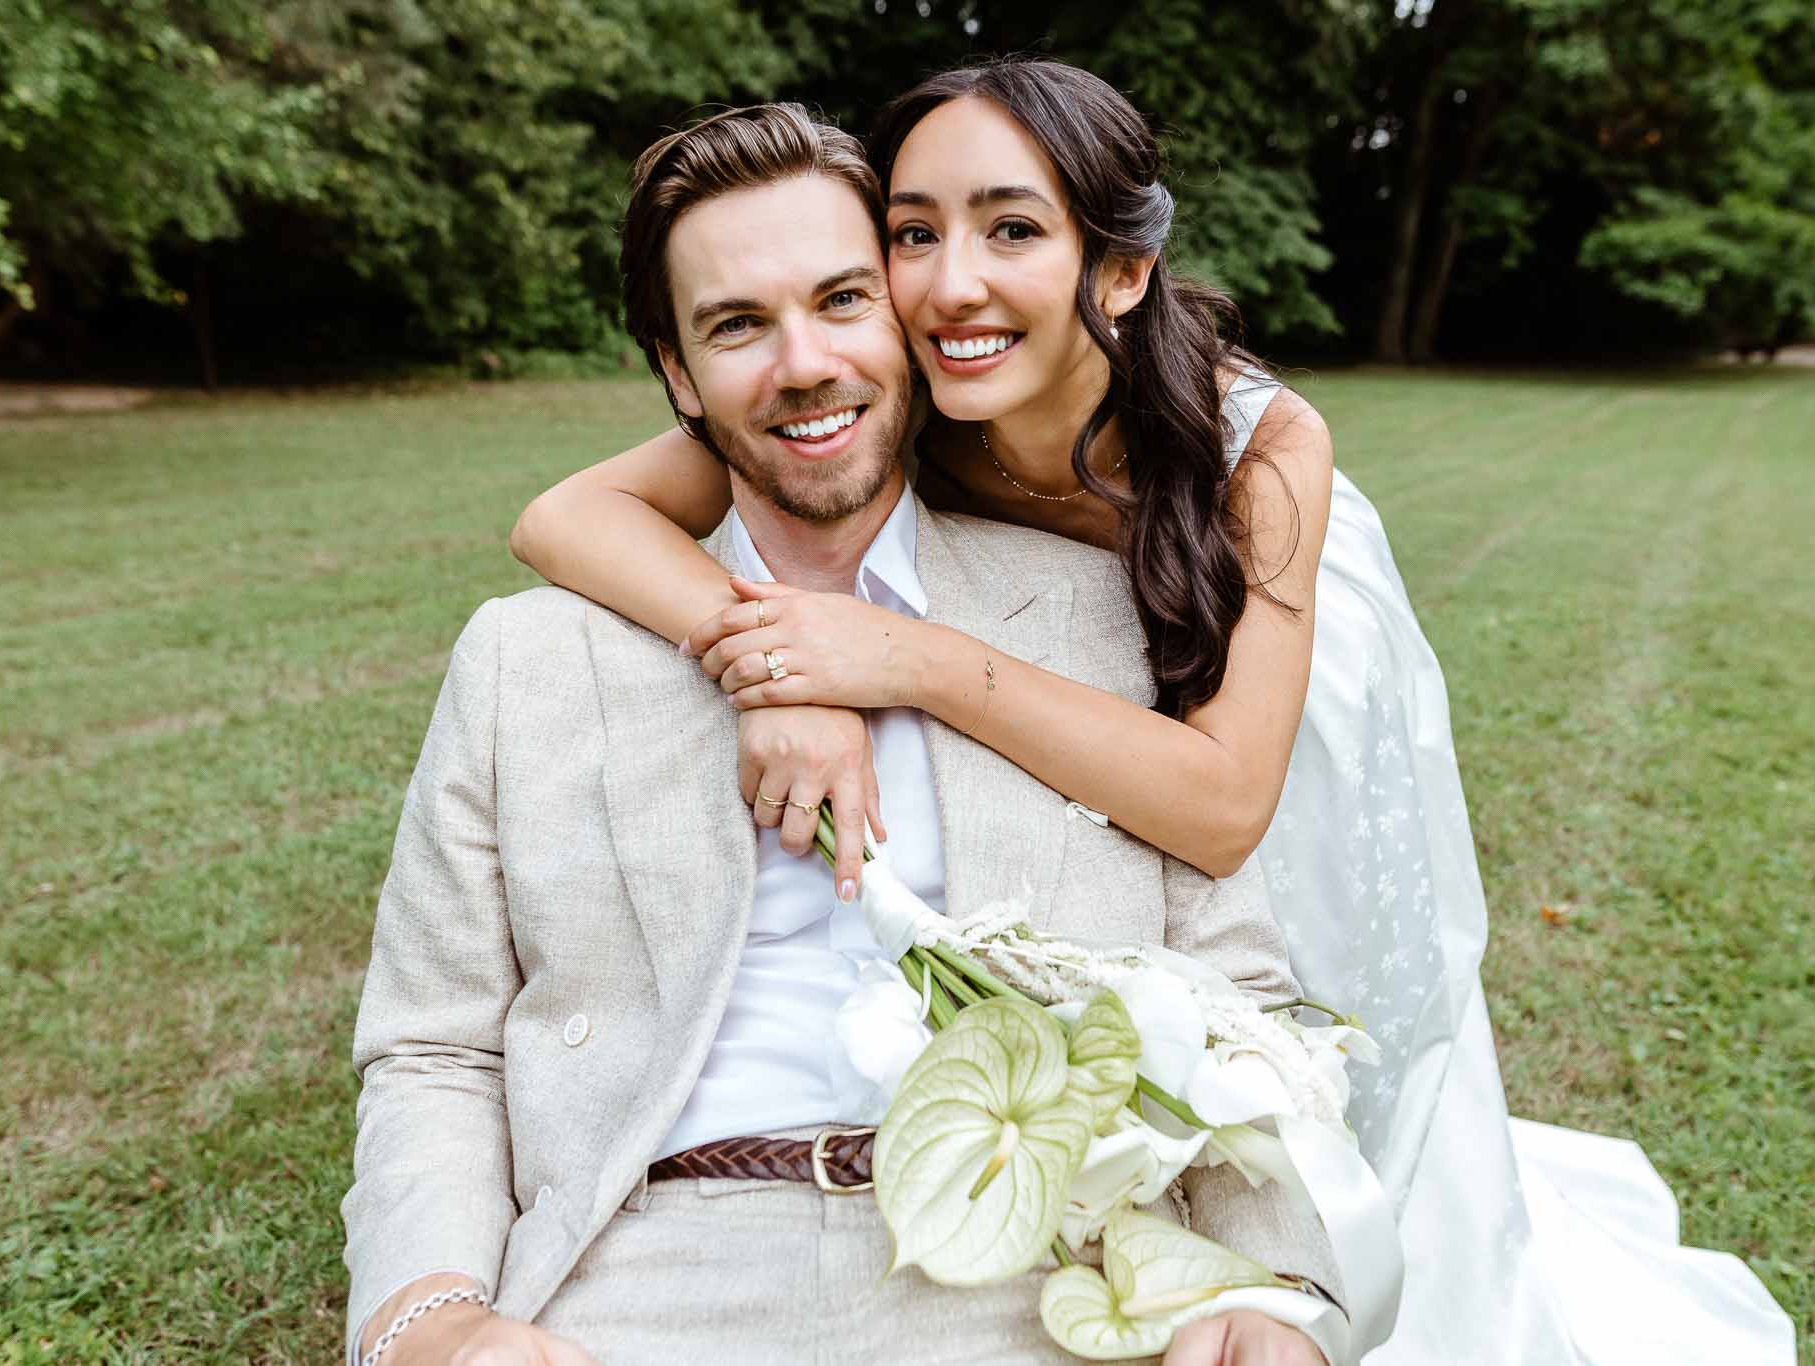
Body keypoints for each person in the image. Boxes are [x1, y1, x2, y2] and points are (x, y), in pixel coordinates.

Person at [510, 58, 1797, 1365]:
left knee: (1318, 1034)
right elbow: (562, 516)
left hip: (1271, 733)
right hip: (1081, 717)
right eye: (913, 232)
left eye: (1013, 228)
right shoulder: (905, 399)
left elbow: (1228, 804)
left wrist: (905, 657)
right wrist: (771, 666)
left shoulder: (1263, 446)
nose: (950, 282)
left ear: (1119, 269)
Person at [342, 102, 1350, 1366]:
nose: (803, 363)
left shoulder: (1110, 616)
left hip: (1036, 1265)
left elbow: (1231, 1001)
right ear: (675, 373)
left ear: (904, 323)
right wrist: (431, 1323)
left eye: (838, 300)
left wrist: (1272, 1294)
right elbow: (432, 1046)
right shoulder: (528, 660)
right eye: (734, 325)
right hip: (639, 1273)